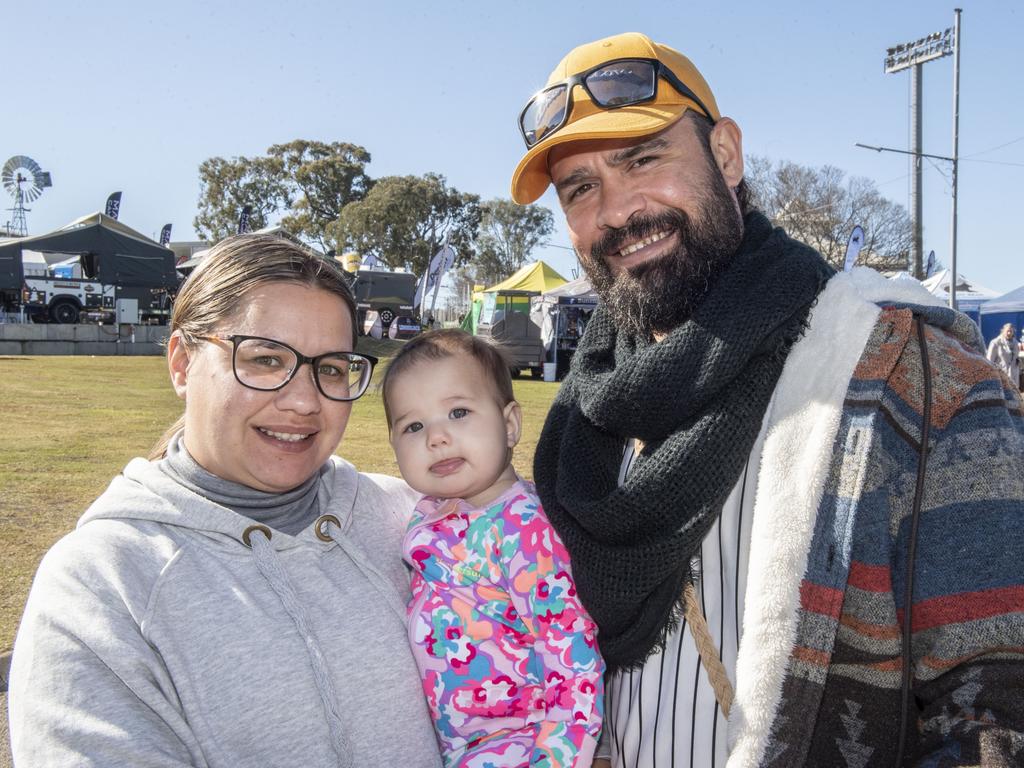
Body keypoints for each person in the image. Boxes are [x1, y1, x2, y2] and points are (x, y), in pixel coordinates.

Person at [511, 32, 1024, 767]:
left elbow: (997, 707)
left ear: (726, 155)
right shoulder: (587, 416)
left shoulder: (907, 368)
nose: (617, 211)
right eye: (580, 188)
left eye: (644, 158)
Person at [8, 235, 441, 767]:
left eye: (330, 368)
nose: (305, 401)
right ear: (182, 364)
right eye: (264, 358)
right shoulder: (101, 584)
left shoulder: (414, 519)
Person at [381, 329, 604, 767]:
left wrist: (557, 756)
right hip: (457, 743)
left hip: (520, 742)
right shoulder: (429, 514)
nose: (436, 438)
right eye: (413, 426)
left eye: (458, 412)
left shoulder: (524, 528)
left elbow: (568, 647)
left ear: (509, 425)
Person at [987, 322, 1020, 387]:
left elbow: (1016, 358)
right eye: (1007, 331)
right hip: (1000, 378)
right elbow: (988, 362)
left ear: (1013, 332)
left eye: (1011, 331)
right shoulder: (995, 343)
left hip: (1013, 379)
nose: (1009, 333)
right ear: (1002, 331)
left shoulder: (1016, 343)